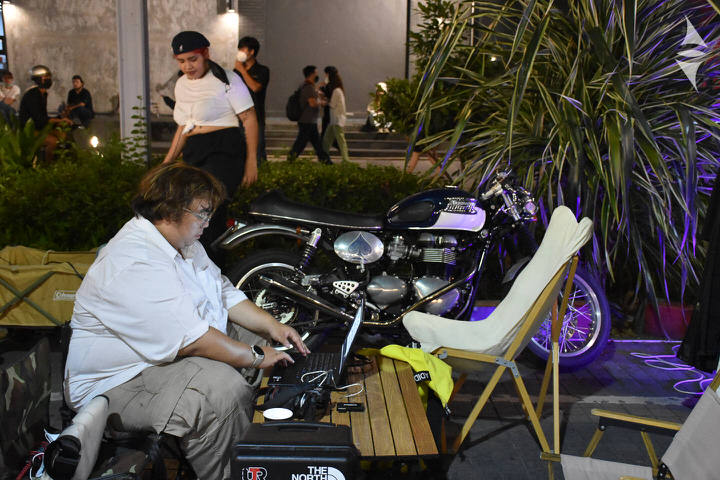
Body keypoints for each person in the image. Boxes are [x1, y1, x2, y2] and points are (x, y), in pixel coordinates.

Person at [63, 163, 309, 479]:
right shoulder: (135, 260)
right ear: (170, 210)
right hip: (117, 380)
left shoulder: (183, 243)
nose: (209, 222)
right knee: (219, 391)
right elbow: (192, 340)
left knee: (261, 340)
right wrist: (257, 356)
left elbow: (222, 292)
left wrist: (273, 327)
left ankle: (252, 439)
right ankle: (230, 468)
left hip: (160, 355)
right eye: (203, 213)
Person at [162, 31, 259, 267]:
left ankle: (215, 271)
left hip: (224, 150)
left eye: (192, 59)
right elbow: (183, 126)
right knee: (190, 215)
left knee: (206, 212)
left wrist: (252, 161)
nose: (187, 66)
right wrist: (166, 163)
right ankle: (200, 270)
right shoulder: (182, 85)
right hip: (195, 150)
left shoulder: (228, 80)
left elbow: (249, 119)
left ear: (205, 54)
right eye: (181, 61)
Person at [18, 65, 72, 162]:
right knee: (53, 142)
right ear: (39, 79)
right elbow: (39, 119)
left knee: (62, 134)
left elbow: (43, 117)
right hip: (29, 130)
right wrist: (59, 120)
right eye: (46, 77)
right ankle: (47, 166)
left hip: (39, 127)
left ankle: (62, 161)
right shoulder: (32, 95)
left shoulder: (43, 93)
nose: (49, 79)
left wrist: (61, 117)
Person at [234, 36, 270, 165]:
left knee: (257, 153)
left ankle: (262, 175)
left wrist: (242, 70)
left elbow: (255, 88)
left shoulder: (263, 70)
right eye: (239, 49)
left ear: (252, 52)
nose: (239, 53)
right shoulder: (235, 72)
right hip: (238, 118)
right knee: (239, 154)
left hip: (255, 117)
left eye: (242, 49)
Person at [287, 65, 331, 164]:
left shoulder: (306, 86)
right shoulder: (308, 87)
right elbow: (312, 103)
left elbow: (313, 95)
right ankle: (290, 160)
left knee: (316, 144)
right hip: (307, 121)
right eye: (316, 73)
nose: (317, 75)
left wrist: (318, 89)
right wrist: (322, 103)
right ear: (311, 74)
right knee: (301, 144)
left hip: (309, 121)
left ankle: (326, 161)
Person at [321, 67, 350, 163]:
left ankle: (345, 159)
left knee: (340, 140)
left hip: (336, 120)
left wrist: (324, 102)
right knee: (327, 139)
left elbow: (332, 104)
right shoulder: (338, 90)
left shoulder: (336, 91)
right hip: (334, 120)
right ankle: (323, 157)